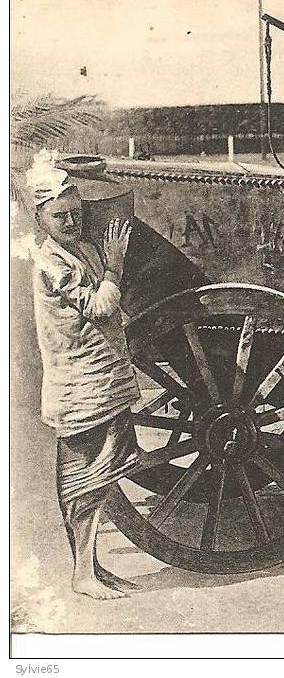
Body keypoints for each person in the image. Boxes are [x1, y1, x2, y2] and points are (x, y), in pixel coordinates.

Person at [28, 151, 141, 599]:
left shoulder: (82, 251)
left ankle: (90, 567)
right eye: (60, 216)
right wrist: (115, 265)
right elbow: (98, 307)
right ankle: (82, 575)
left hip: (102, 381)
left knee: (102, 474)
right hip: (80, 387)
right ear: (42, 220)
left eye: (75, 213)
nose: (70, 222)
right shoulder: (53, 264)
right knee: (84, 481)